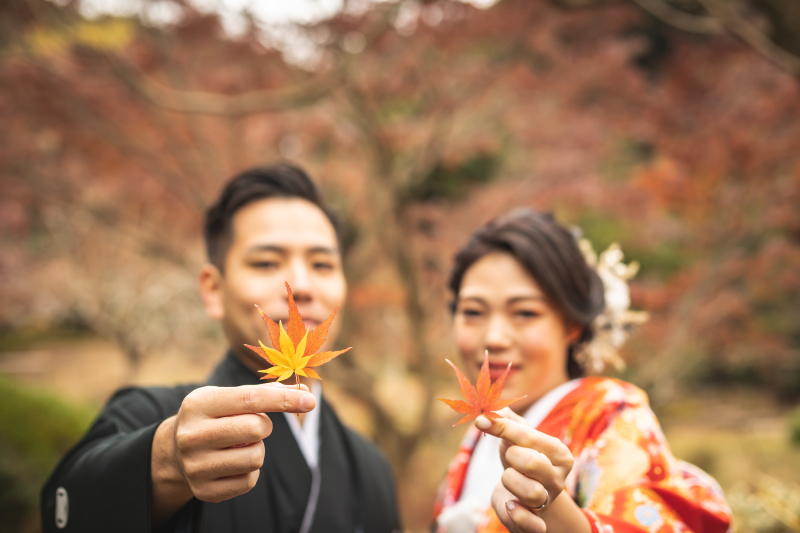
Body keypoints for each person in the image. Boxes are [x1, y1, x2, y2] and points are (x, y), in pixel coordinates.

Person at [41, 164, 401, 533]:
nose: (301, 286)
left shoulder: (370, 466)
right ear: (214, 290)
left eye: (322, 264)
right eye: (266, 262)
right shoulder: (151, 418)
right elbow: (66, 506)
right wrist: (165, 463)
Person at [432, 209, 732, 533]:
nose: (493, 338)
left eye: (525, 313)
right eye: (473, 312)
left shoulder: (609, 414)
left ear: (572, 324)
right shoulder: (479, 433)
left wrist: (558, 515)